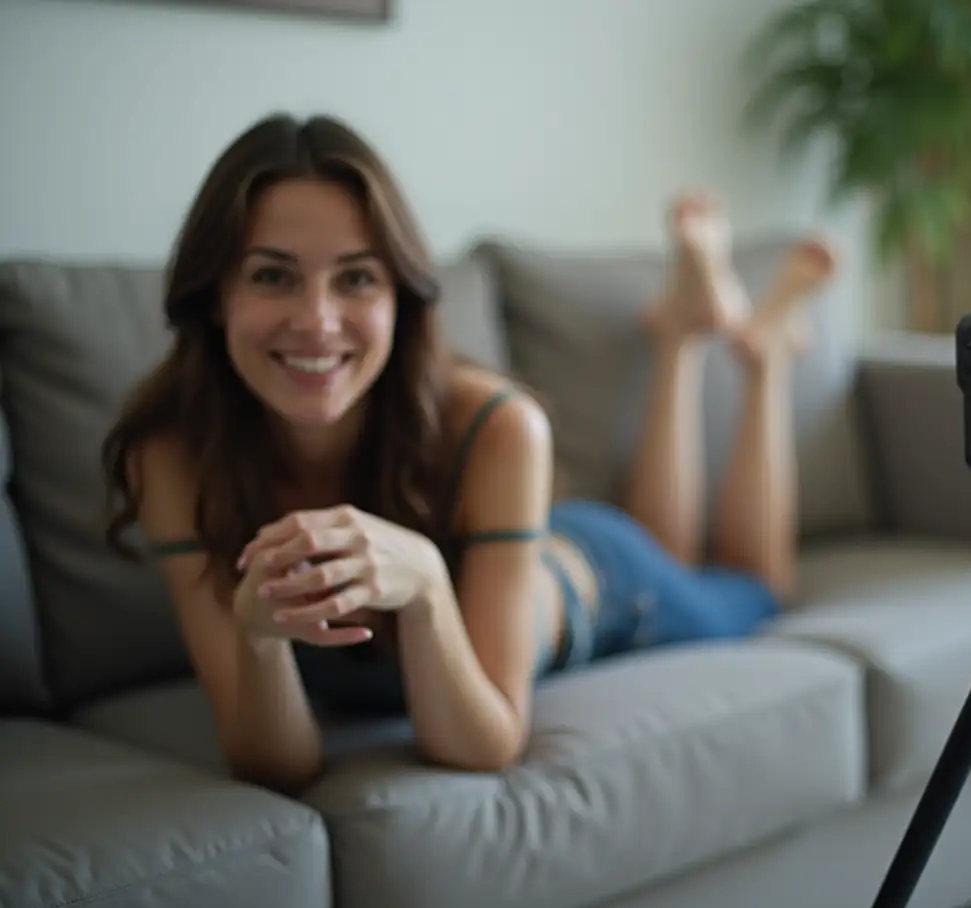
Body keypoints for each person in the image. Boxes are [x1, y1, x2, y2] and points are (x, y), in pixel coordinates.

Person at [100, 113, 836, 790]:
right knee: (675, 541)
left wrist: (424, 583)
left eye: (356, 277)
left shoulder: (499, 424)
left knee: (755, 583)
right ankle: (680, 333)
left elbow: (485, 742)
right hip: (520, 554)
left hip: (601, 586)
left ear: (401, 299)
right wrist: (257, 642)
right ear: (216, 293)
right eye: (272, 276)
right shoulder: (170, 453)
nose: (317, 322)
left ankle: (759, 356)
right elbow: (274, 763)